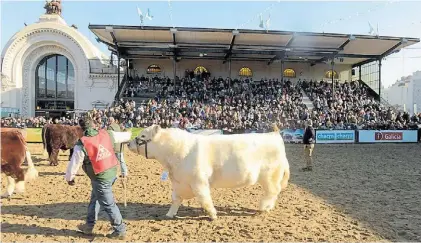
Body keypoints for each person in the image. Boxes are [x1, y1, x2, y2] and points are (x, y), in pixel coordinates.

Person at [65, 115, 131, 239]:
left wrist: (70, 178)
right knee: (94, 200)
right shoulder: (107, 134)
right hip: (111, 173)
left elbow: (74, 163)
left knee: (109, 204)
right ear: (93, 126)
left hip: (101, 178)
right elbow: (126, 136)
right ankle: (89, 226)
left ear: (81, 129)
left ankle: (120, 230)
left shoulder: (82, 144)